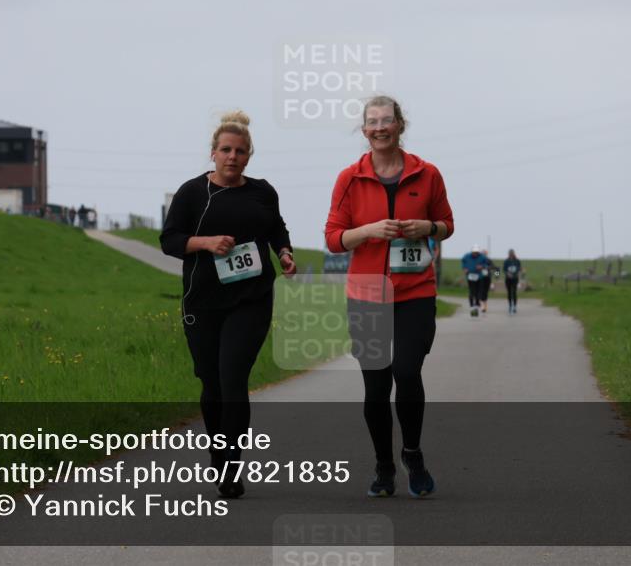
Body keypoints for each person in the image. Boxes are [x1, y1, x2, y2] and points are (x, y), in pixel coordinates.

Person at [160, 111, 296, 498]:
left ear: (249, 156)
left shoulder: (263, 191)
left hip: (251, 297)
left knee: (233, 378)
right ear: (213, 153)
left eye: (240, 151)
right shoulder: (192, 193)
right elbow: (169, 240)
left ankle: (231, 466)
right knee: (212, 383)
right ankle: (219, 453)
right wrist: (206, 243)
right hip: (202, 301)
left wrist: (284, 253)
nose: (232, 157)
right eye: (225, 150)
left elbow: (276, 229)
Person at [324, 95, 454, 498]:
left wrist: (426, 227)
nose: (380, 128)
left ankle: (411, 454)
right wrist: (369, 231)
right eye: (372, 122)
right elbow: (333, 239)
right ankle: (383, 465)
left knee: (407, 372)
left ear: (400, 125)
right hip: (366, 294)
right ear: (364, 131)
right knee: (376, 388)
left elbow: (447, 225)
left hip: (415, 291)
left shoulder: (427, 174)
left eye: (387, 120)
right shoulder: (350, 178)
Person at [461, 245, 487, 317]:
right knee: (472, 292)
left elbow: (493, 267)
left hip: (481, 277)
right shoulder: (467, 256)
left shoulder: (483, 257)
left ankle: (480, 305)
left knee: (480, 293)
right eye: (474, 252)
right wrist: (464, 268)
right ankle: (474, 307)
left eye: (476, 252)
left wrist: (497, 275)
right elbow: (463, 262)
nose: (475, 254)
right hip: (471, 276)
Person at [503, 249, 522, 314]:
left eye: (512, 253)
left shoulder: (517, 261)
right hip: (508, 279)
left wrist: (518, 275)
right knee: (509, 292)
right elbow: (504, 269)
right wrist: (507, 274)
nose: (511, 254)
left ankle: (514, 306)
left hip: (515, 279)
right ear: (508, 254)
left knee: (514, 292)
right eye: (510, 253)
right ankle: (510, 305)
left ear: (514, 253)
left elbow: (519, 269)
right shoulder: (506, 261)